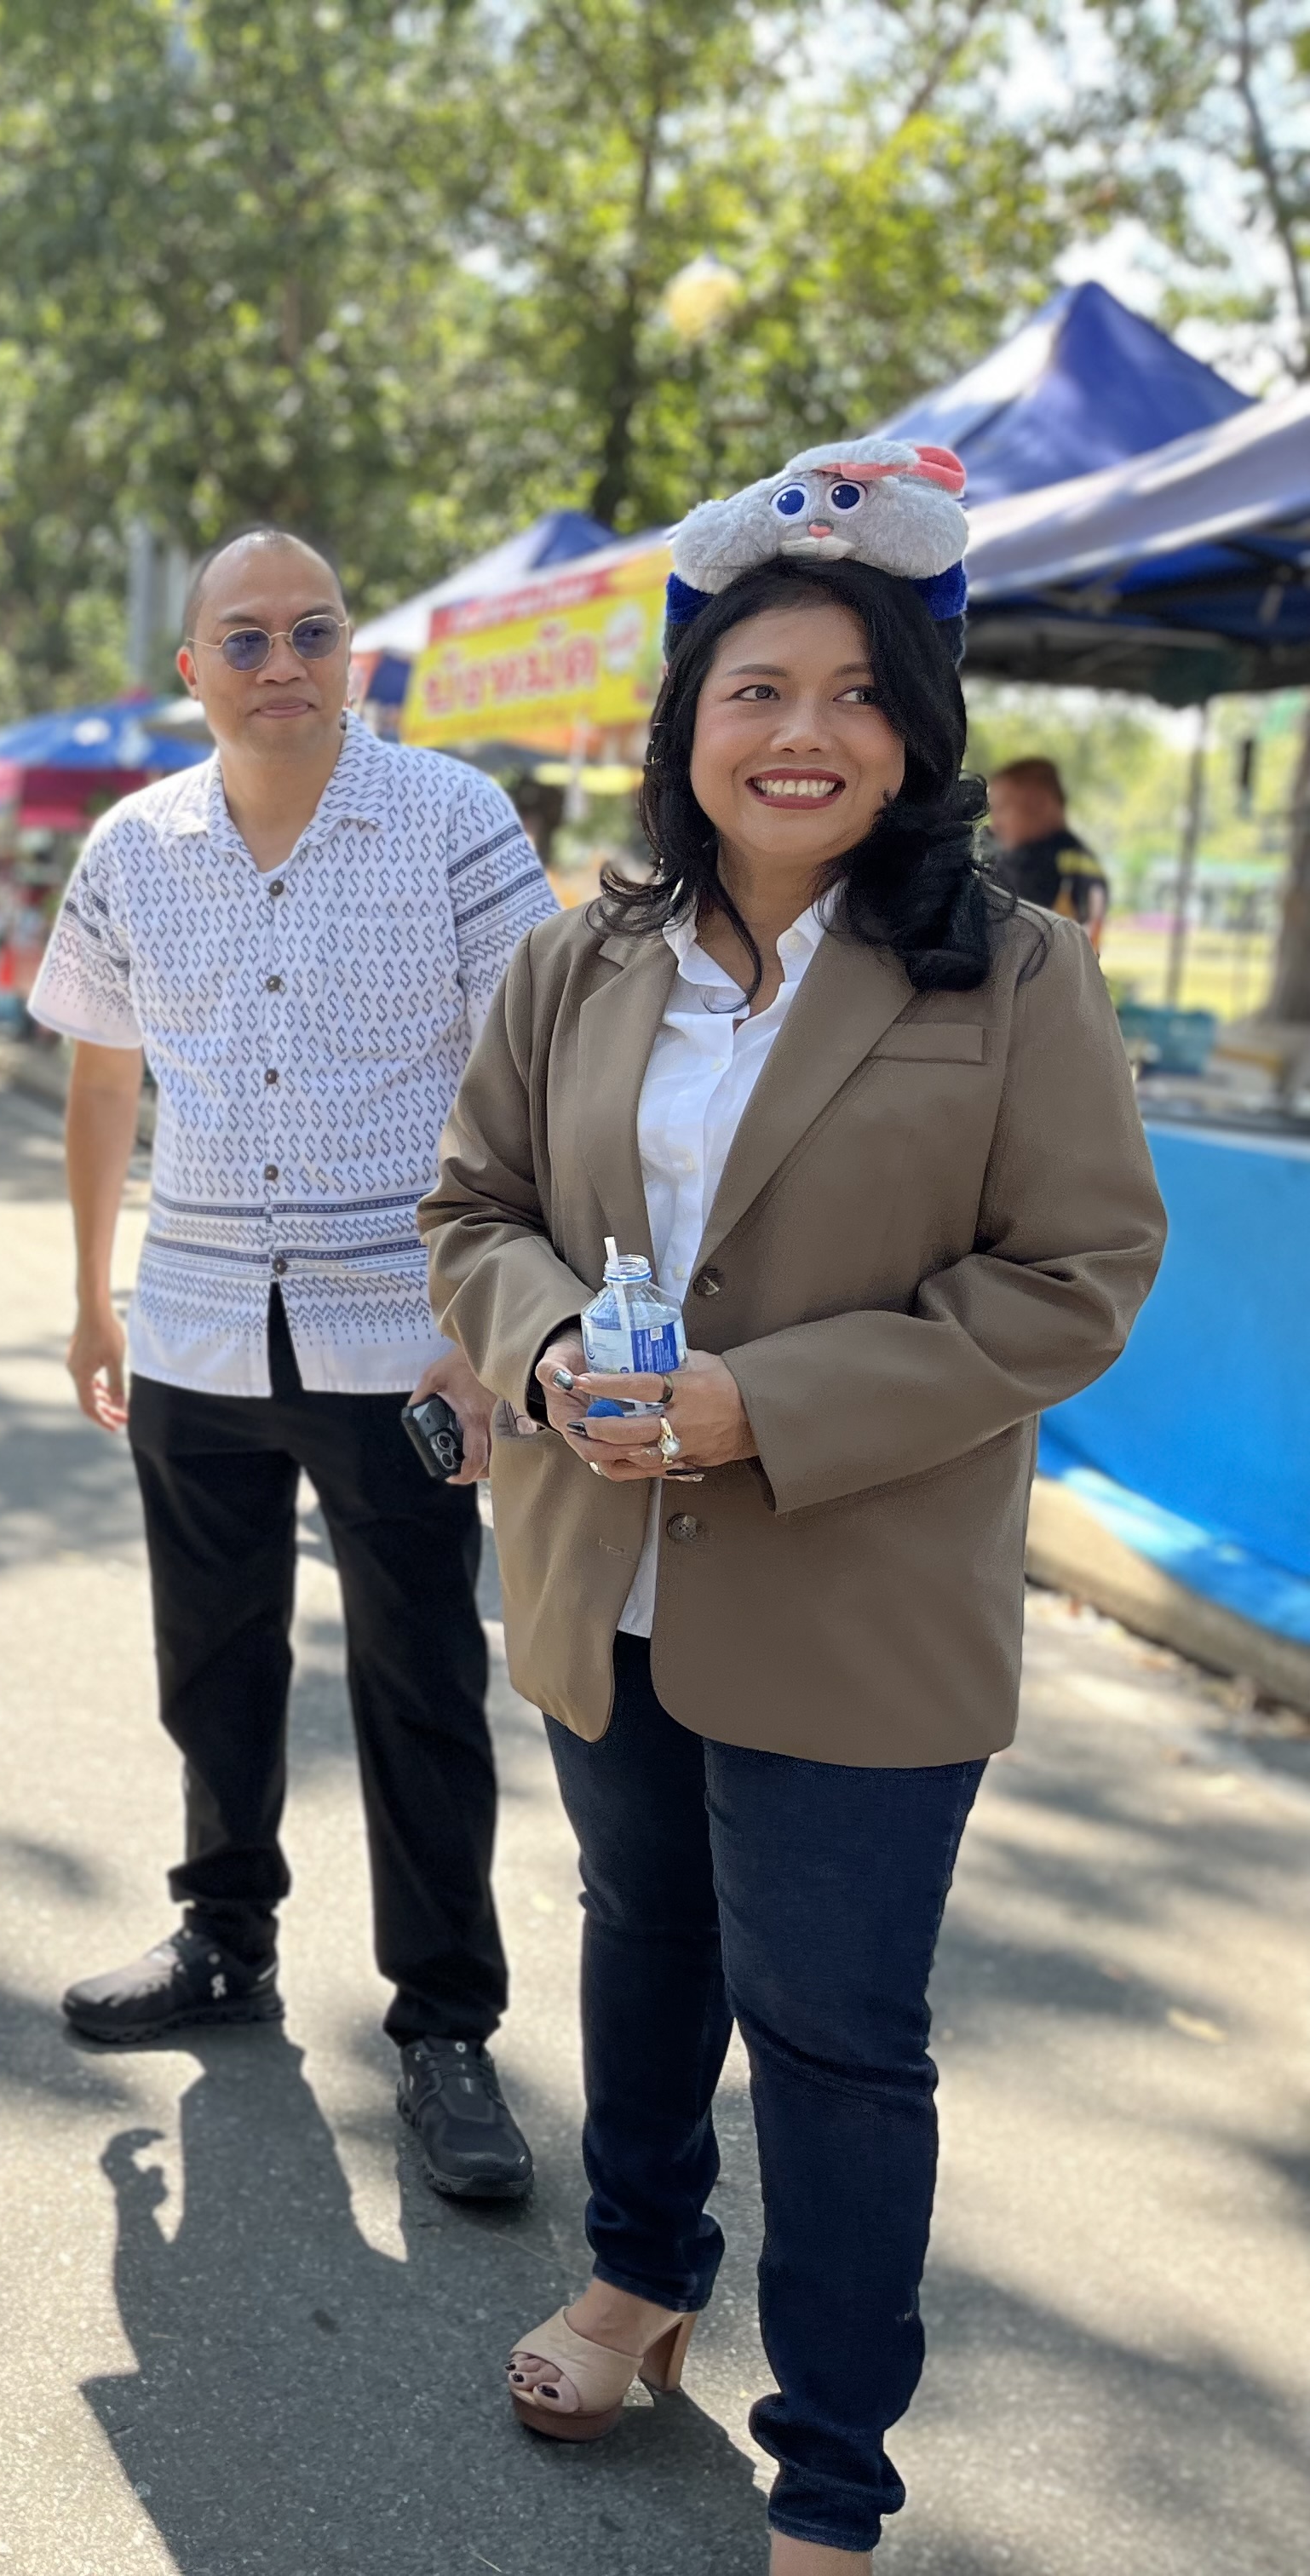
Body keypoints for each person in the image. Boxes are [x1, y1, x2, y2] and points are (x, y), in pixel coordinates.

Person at [423, 545, 1162, 2572]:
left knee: (836, 2035)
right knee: (641, 1944)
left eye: (852, 692)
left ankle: (834, 2474)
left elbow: (1078, 1277)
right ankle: (640, 2274)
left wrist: (775, 1404)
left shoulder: (1015, 974)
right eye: (754, 690)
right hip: (604, 1570)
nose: (801, 732)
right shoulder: (582, 961)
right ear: (686, 727)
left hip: (855, 1598)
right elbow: (475, 1202)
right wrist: (552, 1339)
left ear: (911, 732)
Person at [34, 526, 558, 2204]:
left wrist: (491, 1343)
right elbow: (103, 1081)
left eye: (311, 633)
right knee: (212, 1658)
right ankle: (225, 1936)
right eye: (243, 640)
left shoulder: (455, 824)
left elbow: (532, 1075)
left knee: (419, 1681)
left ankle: (445, 2026)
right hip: (194, 1318)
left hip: (403, 1336)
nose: (281, 665)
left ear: (354, 658)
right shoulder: (131, 849)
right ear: (189, 671)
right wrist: (92, 1295)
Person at [982, 755, 1107, 937]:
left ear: (1039, 804)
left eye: (1002, 808)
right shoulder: (1083, 861)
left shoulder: (1036, 866)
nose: (995, 825)